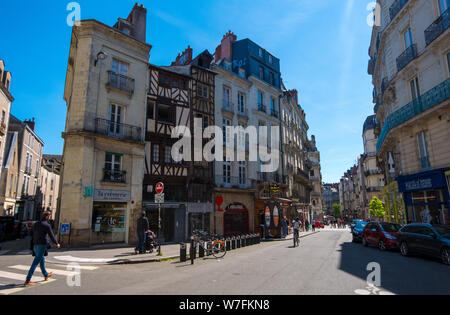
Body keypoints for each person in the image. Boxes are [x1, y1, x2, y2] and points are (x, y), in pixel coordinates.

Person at [24, 212, 60, 287]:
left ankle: (46, 274)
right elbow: (51, 235)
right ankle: (27, 280)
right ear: (47, 217)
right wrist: (56, 243)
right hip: (42, 245)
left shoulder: (36, 223)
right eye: (49, 216)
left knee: (42, 260)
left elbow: (31, 233)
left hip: (35, 244)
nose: (50, 217)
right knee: (35, 263)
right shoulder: (47, 225)